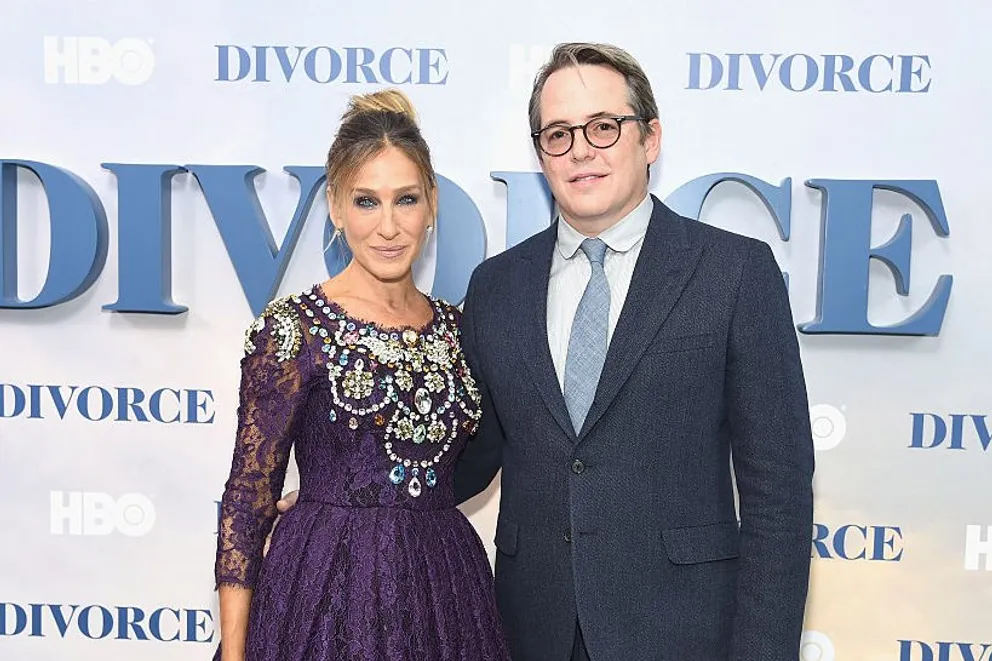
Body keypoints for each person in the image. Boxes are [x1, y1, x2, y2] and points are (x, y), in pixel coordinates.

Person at [451, 43, 815, 660]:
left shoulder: (733, 272)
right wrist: (345, 497)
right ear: (540, 154)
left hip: (684, 632)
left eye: (603, 126)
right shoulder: (496, 286)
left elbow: (778, 492)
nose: (582, 150)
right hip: (529, 629)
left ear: (649, 139)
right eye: (559, 134)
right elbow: (471, 453)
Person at [212, 89, 510, 661]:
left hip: (444, 592)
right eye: (367, 201)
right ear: (336, 207)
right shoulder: (294, 329)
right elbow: (248, 496)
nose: (389, 227)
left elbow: (477, 458)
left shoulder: (459, 329)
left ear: (432, 204)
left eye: (406, 199)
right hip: (324, 590)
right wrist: (234, 651)